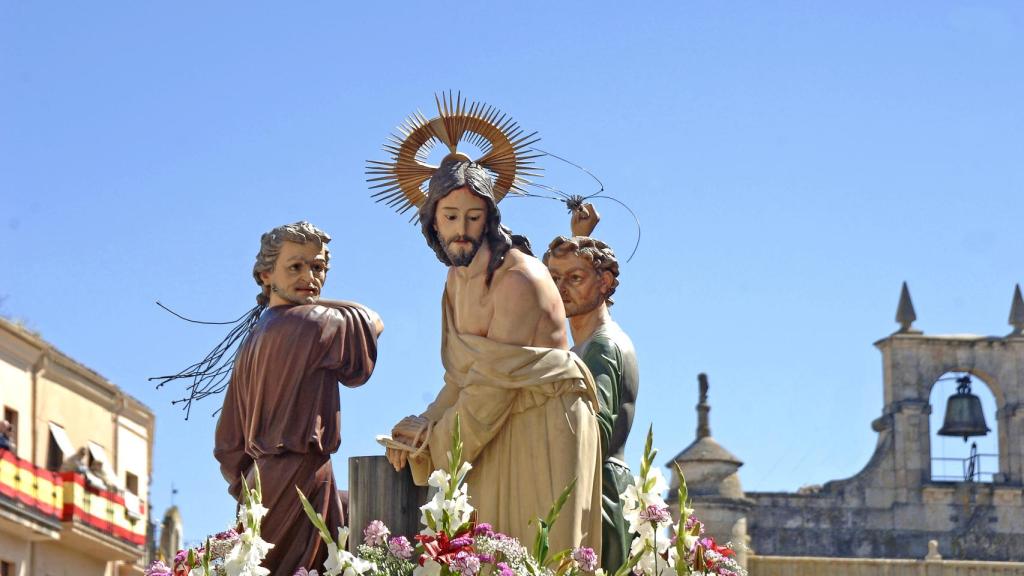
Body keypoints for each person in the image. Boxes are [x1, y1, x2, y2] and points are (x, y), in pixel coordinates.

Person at [385, 156, 602, 556]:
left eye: (473, 217)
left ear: (489, 219)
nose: (462, 230)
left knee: (535, 553)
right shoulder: (454, 281)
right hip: (491, 425)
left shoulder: (519, 279)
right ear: (434, 221)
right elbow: (462, 376)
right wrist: (422, 426)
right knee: (487, 554)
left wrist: (430, 444)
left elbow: (490, 389)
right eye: (451, 217)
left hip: (544, 422)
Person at [214, 221, 383, 575]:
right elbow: (372, 322)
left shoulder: (253, 341)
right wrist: (317, 302)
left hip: (258, 483)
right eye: (296, 266)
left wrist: (251, 489)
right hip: (301, 474)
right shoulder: (312, 323)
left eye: (318, 267)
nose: (310, 276)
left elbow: (228, 445)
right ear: (265, 275)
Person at [544, 228, 639, 573]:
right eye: (554, 278)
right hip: (592, 485)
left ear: (605, 282)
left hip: (600, 494)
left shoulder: (602, 346)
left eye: (575, 278)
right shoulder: (582, 347)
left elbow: (592, 427)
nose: (561, 288)